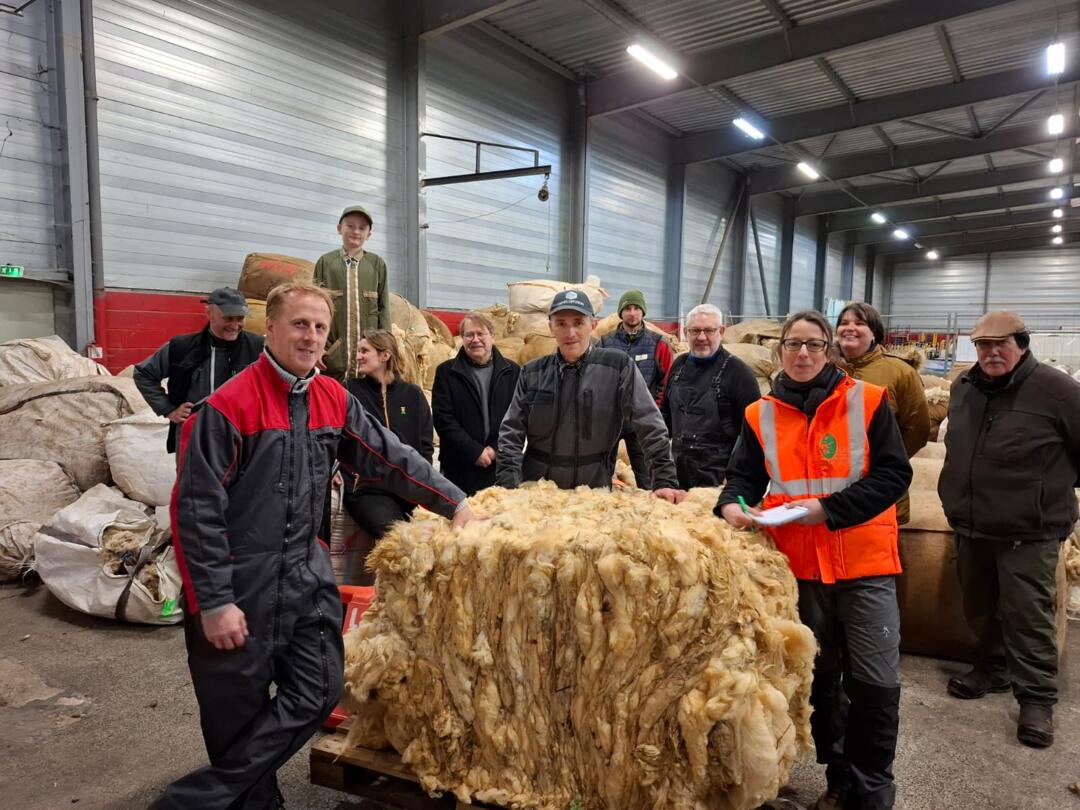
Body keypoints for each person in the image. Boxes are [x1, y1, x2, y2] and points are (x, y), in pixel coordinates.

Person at [156, 281, 475, 810]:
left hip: (305, 577)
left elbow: (388, 455)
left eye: (320, 328)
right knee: (235, 720)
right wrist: (213, 601)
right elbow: (195, 513)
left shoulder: (332, 397)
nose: (310, 336)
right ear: (273, 329)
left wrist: (455, 502)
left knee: (322, 688)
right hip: (240, 584)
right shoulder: (226, 409)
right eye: (300, 324)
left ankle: (192, 801)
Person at [716, 310, 912, 810]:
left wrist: (829, 510)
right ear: (780, 350)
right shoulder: (759, 414)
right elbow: (742, 477)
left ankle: (872, 790)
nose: (802, 354)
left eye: (813, 345)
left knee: (874, 682)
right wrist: (730, 506)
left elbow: (894, 476)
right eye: (793, 344)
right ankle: (839, 778)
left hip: (864, 565)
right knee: (819, 679)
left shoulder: (866, 402)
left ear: (829, 350)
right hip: (800, 569)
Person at [938, 310, 1080, 749]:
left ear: (1022, 343)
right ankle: (991, 668)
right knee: (980, 604)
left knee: (1028, 613)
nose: (991, 352)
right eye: (982, 345)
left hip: (1029, 528)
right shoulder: (963, 387)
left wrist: (1047, 493)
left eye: (1001, 344)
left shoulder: (1058, 392)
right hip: (972, 521)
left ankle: (1036, 699)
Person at [497, 289, 684, 503]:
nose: (570, 333)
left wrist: (664, 480)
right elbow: (511, 431)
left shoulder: (617, 367)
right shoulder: (532, 372)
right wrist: (507, 484)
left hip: (593, 493)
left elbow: (649, 422)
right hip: (538, 493)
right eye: (561, 323)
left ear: (593, 325)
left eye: (578, 322)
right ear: (550, 327)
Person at [133, 287, 263, 454]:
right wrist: (168, 409)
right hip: (193, 434)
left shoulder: (258, 348)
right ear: (208, 314)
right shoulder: (182, 347)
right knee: (192, 479)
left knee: (241, 480)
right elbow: (143, 374)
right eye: (228, 318)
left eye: (240, 318)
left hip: (242, 435)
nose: (235, 325)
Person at [836, 302, 930, 524]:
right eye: (843, 323)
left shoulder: (900, 373)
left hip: (880, 489)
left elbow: (918, 428)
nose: (850, 328)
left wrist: (887, 462)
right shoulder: (825, 368)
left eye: (859, 323)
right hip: (831, 488)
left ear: (874, 334)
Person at [343, 330, 434, 555]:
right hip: (367, 489)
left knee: (434, 536)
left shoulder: (412, 395)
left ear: (385, 356)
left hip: (409, 487)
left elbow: (425, 445)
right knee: (397, 536)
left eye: (365, 351)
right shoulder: (349, 391)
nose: (358, 356)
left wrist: (421, 483)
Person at [659, 304, 760, 488]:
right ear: (685, 331)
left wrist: (738, 476)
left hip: (719, 478)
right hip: (678, 473)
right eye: (695, 331)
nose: (701, 337)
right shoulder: (679, 366)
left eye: (709, 330)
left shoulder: (738, 372)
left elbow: (754, 432)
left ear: (721, 331)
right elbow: (665, 416)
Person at [431, 311, 520, 495]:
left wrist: (496, 449)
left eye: (481, 334)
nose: (475, 339)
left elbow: (519, 416)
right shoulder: (447, 373)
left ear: (493, 337)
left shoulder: (512, 371)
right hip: (461, 466)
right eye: (469, 335)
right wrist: (474, 452)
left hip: (501, 465)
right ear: (462, 339)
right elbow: (443, 419)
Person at [600, 290, 673, 486]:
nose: (632, 313)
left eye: (636, 308)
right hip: (610, 420)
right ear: (620, 313)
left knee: (647, 477)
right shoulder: (605, 342)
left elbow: (667, 380)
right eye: (627, 308)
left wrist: (654, 409)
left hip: (642, 421)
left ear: (643, 312)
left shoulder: (658, 343)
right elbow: (597, 379)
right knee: (602, 475)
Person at [313, 204, 390, 381]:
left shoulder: (376, 264)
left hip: (368, 359)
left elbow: (384, 309)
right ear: (339, 228)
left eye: (362, 228)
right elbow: (315, 309)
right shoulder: (326, 262)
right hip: (333, 358)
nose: (356, 231)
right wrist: (318, 345)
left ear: (369, 234)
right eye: (350, 226)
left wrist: (386, 347)